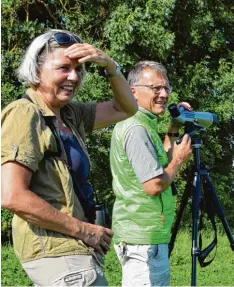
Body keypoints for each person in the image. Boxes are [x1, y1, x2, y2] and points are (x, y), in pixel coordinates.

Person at [1, 29, 138, 286]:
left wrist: (110, 66)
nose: (73, 77)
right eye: (63, 68)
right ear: (37, 69)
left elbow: (126, 107)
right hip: (57, 252)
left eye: (79, 70)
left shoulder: (70, 114)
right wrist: (84, 230)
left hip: (74, 252)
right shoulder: (24, 113)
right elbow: (11, 195)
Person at [110, 61, 192, 286]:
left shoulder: (143, 124)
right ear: (133, 91)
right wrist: (178, 161)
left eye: (166, 88)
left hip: (146, 234)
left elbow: (162, 161)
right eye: (156, 88)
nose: (164, 94)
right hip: (143, 239)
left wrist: (175, 124)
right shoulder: (136, 128)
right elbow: (154, 184)